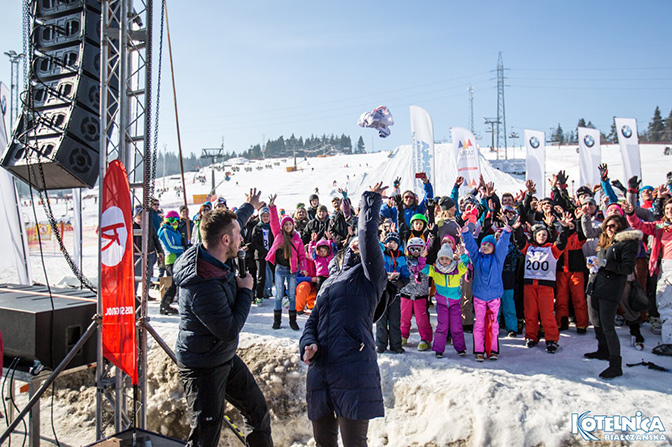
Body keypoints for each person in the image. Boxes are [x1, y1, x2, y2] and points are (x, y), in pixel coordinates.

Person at [172, 189, 273, 447]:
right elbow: (229, 329)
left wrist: (249, 206)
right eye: (239, 235)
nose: (243, 238)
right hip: (202, 365)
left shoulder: (212, 248)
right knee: (205, 435)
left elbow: (229, 222)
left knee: (257, 411)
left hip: (222, 356)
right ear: (226, 240)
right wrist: (246, 292)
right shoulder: (202, 283)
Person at [299, 183, 388, 447]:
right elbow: (312, 321)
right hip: (321, 371)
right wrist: (308, 343)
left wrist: (370, 202)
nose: (357, 246)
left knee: (354, 444)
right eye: (353, 245)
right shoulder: (329, 281)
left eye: (361, 245)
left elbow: (367, 236)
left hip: (353, 369)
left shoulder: (371, 277)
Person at [584, 214, 642, 379]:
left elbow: (627, 268)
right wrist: (594, 265)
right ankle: (603, 350)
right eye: (607, 226)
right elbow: (602, 263)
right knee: (596, 322)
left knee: (608, 326)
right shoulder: (605, 240)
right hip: (596, 284)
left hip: (611, 288)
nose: (609, 229)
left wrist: (604, 264)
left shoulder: (628, 242)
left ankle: (615, 365)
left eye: (613, 226)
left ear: (621, 226)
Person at [625, 198, 672, 356]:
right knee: (662, 302)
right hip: (664, 266)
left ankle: (669, 342)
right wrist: (631, 213)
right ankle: (668, 340)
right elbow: (639, 225)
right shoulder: (661, 226)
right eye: (667, 209)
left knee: (667, 305)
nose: (670, 212)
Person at [462, 224, 512, 361]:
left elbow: (502, 244)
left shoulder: (498, 259)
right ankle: (479, 350)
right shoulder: (477, 258)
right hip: (479, 297)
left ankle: (493, 349)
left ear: (494, 248)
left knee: (493, 323)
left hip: (494, 297)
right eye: (483, 245)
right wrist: (465, 232)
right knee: (479, 324)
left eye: (489, 245)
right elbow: (471, 246)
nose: (485, 247)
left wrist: (507, 230)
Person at [422, 237, 470, 358]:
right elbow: (422, 268)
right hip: (442, 303)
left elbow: (466, 266)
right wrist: (422, 257)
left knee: (456, 326)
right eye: (442, 258)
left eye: (447, 259)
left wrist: (463, 255)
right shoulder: (435, 270)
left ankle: (460, 348)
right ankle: (439, 349)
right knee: (442, 326)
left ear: (451, 259)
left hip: (455, 303)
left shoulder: (457, 269)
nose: (444, 261)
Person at [266, 194, 308, 331]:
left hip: (292, 270)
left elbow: (302, 255)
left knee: (291, 296)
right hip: (280, 268)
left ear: (293, 225)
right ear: (283, 226)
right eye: (286, 224)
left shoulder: (297, 238)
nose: (288, 226)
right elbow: (273, 222)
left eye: (290, 224)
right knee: (278, 295)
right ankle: (277, 321)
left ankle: (292, 321)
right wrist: (272, 208)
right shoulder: (278, 234)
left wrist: (304, 267)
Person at [376, 231, 409, 354]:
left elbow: (406, 275)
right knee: (381, 320)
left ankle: (396, 345)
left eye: (394, 242)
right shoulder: (381, 255)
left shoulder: (402, 257)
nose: (391, 244)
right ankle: (380, 344)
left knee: (395, 320)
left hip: (395, 293)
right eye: (389, 241)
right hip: (382, 293)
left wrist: (401, 282)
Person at [399, 237, 433, 351]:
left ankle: (426, 338)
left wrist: (430, 241)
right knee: (404, 317)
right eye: (413, 249)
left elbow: (423, 266)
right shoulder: (406, 261)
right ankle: (403, 334)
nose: (416, 251)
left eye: (419, 249)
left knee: (421, 318)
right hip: (406, 293)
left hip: (420, 295)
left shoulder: (425, 263)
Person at [157, 210, 185, 315]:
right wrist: (182, 248)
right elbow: (170, 247)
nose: (175, 223)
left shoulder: (176, 231)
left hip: (178, 259)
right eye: (172, 220)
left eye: (177, 220)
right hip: (171, 260)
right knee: (174, 283)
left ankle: (169, 304)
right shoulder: (165, 231)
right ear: (167, 220)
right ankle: (164, 305)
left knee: (177, 283)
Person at [250, 206, 274, 304]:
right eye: (263, 216)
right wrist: (264, 251)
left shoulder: (272, 227)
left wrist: (272, 251)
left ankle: (282, 293)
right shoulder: (257, 227)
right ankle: (259, 295)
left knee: (275, 273)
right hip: (260, 255)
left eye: (267, 216)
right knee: (261, 275)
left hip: (272, 254)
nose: (265, 218)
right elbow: (254, 242)